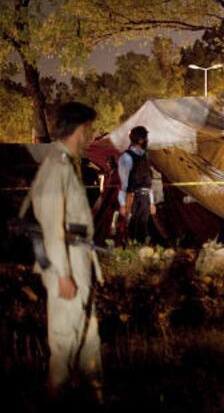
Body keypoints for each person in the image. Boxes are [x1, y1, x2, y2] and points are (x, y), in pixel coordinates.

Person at [27, 102, 103, 399]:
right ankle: (57, 397)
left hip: (77, 257)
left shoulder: (66, 165)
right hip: (66, 260)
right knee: (64, 338)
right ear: (79, 129)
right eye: (89, 129)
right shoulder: (56, 167)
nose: (91, 136)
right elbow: (51, 227)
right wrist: (62, 274)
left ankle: (90, 392)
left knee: (86, 333)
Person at [119, 126, 155, 241]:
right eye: (146, 138)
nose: (147, 140)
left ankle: (140, 248)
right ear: (140, 140)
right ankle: (130, 249)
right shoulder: (127, 156)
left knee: (143, 228)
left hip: (145, 197)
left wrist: (152, 202)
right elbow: (123, 182)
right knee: (132, 227)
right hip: (133, 197)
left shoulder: (145, 156)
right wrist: (123, 203)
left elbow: (148, 181)